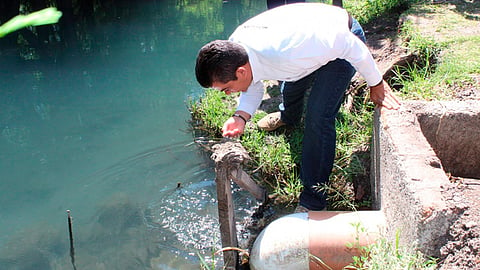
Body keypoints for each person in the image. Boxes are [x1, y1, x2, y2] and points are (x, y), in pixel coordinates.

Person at [195, 3, 400, 212]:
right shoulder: (236, 51)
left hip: (343, 40)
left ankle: (313, 201)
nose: (228, 93)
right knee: (290, 88)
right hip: (308, 49)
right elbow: (253, 84)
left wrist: (376, 83)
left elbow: (350, 45)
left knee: (318, 117)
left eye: (227, 89)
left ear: (240, 72)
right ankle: (288, 117)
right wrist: (240, 116)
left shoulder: (287, 52)